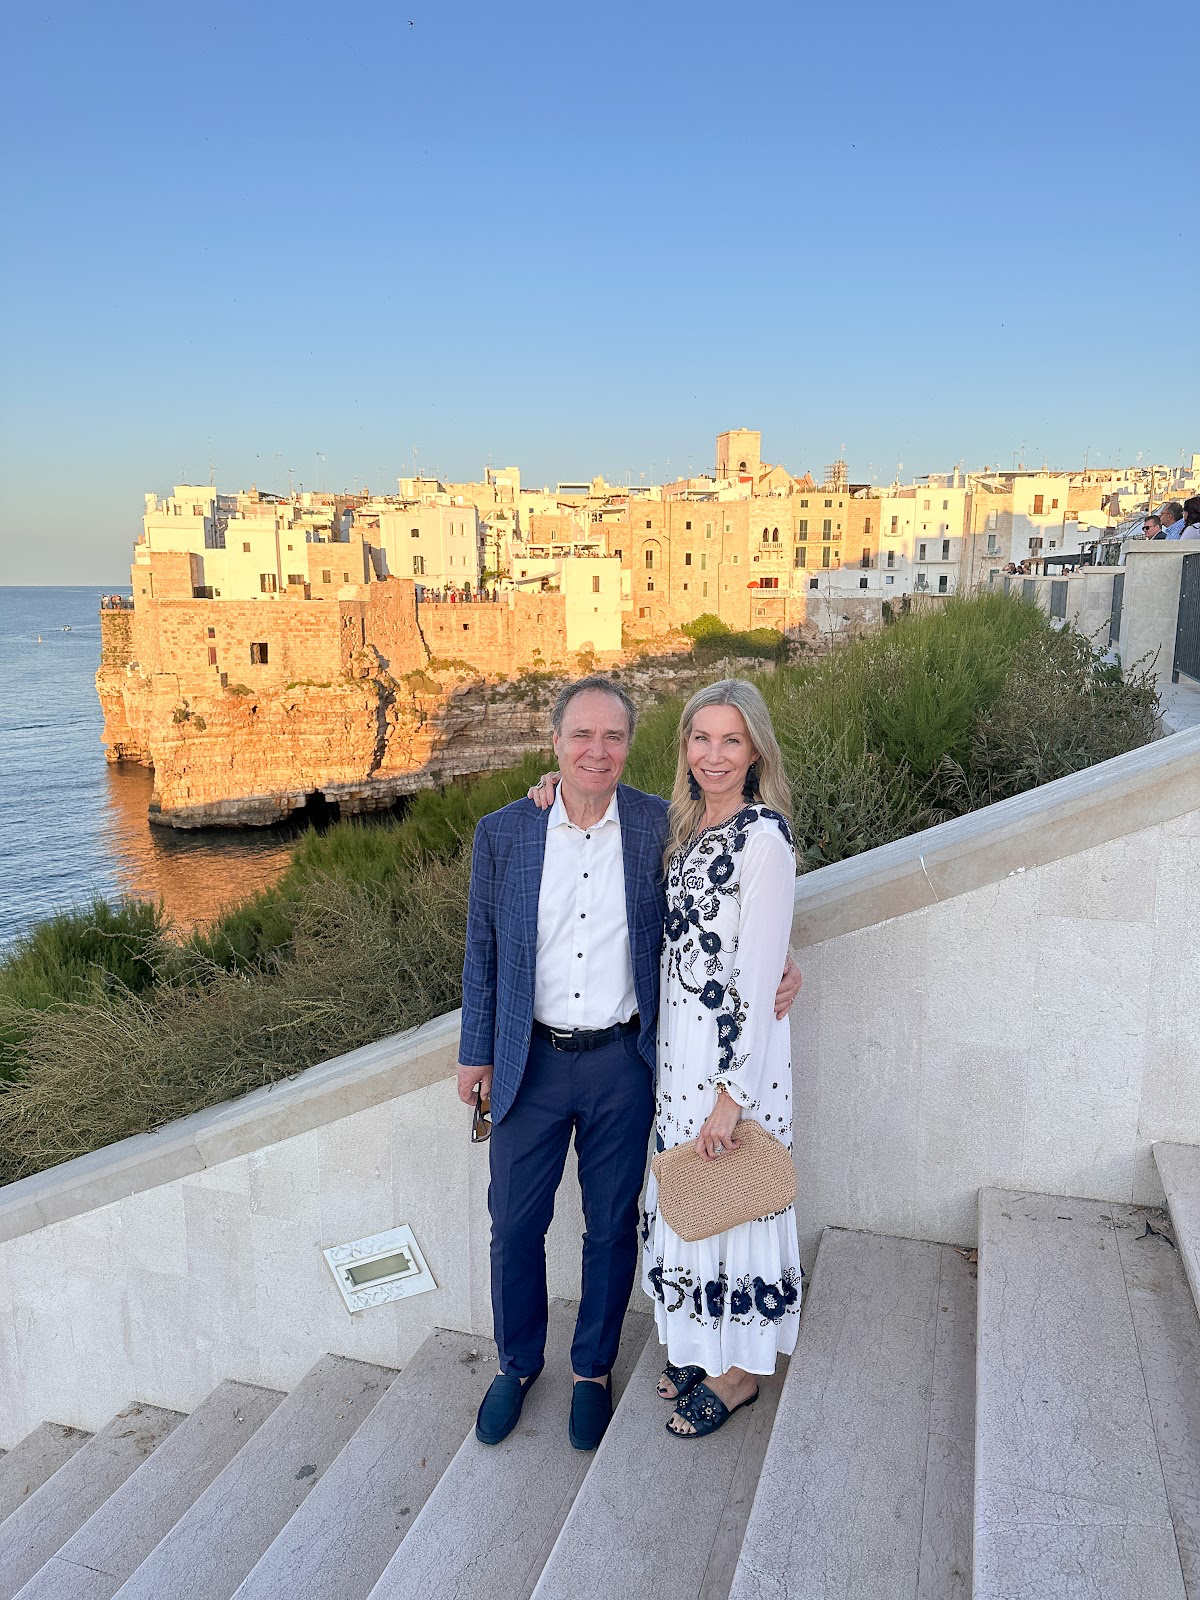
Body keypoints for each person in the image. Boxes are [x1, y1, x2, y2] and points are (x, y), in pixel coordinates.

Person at [457, 677, 800, 1453]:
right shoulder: (506, 832)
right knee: (514, 1227)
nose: (596, 751)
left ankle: (591, 1371)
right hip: (528, 1064)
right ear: (555, 742)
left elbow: (736, 906)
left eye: (613, 737)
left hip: (624, 1063)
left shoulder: (657, 824)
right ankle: (516, 1366)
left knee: (612, 1229)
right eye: (581, 735)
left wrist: (787, 960)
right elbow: (481, 953)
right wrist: (475, 1050)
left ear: (633, 746)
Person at [641, 679, 802, 1438]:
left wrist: (731, 1098)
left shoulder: (763, 837)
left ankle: (738, 1375)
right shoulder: (690, 825)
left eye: (730, 740)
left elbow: (759, 967)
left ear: (755, 750)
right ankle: (705, 1343)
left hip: (732, 1067)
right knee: (696, 1204)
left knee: (735, 1201)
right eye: (700, 739)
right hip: (682, 1060)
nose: (713, 755)